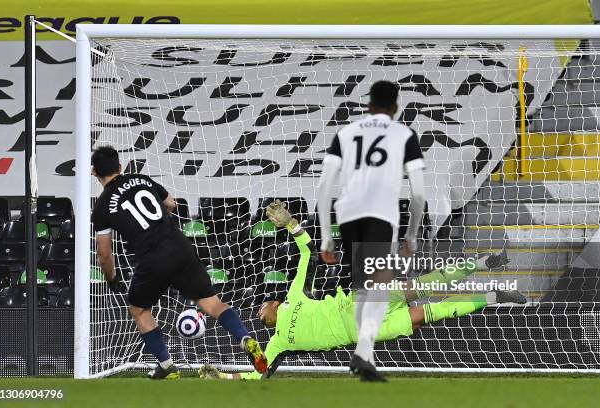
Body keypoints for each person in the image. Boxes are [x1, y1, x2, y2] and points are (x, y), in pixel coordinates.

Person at [198, 202, 522, 381]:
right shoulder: (278, 343)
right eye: (258, 313)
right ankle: (494, 296)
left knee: (421, 286)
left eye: (259, 307)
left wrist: (291, 224)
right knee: (426, 314)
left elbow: (308, 252)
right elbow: (261, 372)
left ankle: (486, 260)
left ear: (273, 302)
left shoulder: (294, 295)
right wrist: (224, 378)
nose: (258, 312)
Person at [91, 145, 267, 379]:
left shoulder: (102, 205)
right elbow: (173, 204)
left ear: (94, 172)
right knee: (212, 303)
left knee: (139, 309)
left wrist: (112, 280)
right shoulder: (142, 179)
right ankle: (245, 338)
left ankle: (166, 364)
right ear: (120, 167)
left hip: (152, 258)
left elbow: (104, 254)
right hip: (180, 247)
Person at [316, 80, 427, 380]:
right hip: (379, 213)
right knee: (378, 286)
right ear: (395, 108)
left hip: (348, 213)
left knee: (365, 286)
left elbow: (325, 185)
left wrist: (327, 235)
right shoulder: (404, 134)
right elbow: (418, 193)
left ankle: (363, 356)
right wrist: (412, 235)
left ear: (368, 106)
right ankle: (363, 356)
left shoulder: (345, 133)